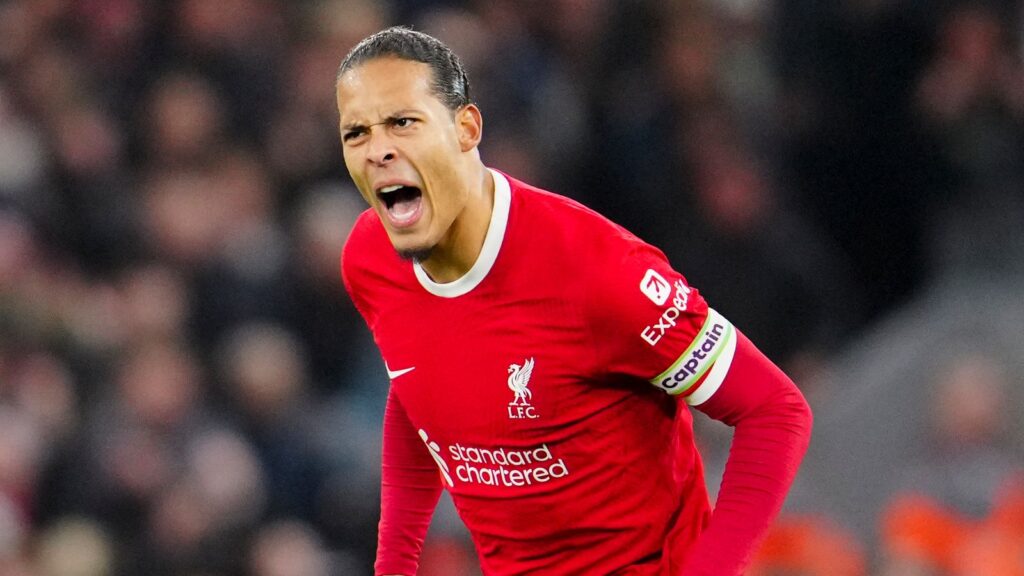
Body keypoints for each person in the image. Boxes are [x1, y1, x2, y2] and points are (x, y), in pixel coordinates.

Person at [336, 26, 813, 576]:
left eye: (402, 122)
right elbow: (419, 388)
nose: (379, 150)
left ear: (466, 128)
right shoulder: (369, 260)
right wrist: (394, 564)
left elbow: (774, 410)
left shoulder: (597, 272)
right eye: (356, 133)